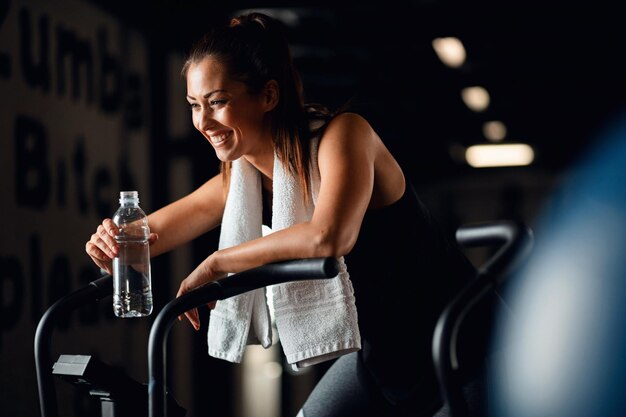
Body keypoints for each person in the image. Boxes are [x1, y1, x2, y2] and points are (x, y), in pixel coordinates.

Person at [85, 11, 475, 417]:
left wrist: (219, 262)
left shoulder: (344, 135)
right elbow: (150, 234)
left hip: (467, 344)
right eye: (194, 105)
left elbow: (329, 238)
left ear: (268, 96)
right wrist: (112, 239)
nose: (203, 122)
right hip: (384, 360)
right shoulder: (240, 180)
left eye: (217, 102)